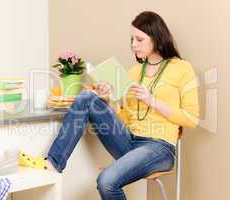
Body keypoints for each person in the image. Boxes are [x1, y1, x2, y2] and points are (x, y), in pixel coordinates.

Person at [45, 11, 199, 200]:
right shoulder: (134, 72)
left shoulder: (182, 68)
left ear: (157, 39)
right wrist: (107, 100)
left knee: (106, 181)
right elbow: (125, 117)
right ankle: (53, 164)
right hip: (129, 141)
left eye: (139, 39)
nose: (133, 44)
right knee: (87, 97)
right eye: (132, 39)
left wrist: (153, 101)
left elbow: (192, 119)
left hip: (160, 148)